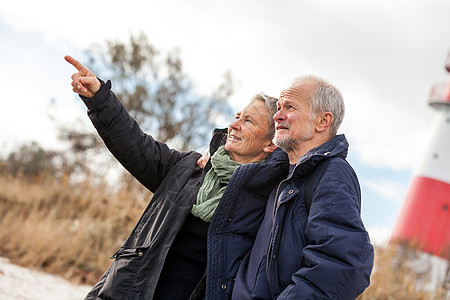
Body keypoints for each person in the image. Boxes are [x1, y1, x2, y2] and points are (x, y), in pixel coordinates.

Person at [64, 55, 289, 300]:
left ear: (270, 144)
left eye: (248, 121)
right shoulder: (188, 168)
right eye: (237, 116)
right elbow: (136, 145)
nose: (234, 125)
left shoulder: (270, 201)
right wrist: (100, 98)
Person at [231, 75, 374, 299]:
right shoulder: (278, 172)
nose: (277, 115)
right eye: (278, 107)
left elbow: (344, 263)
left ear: (323, 121)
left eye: (290, 107)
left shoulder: (332, 173)